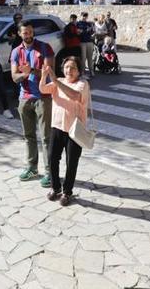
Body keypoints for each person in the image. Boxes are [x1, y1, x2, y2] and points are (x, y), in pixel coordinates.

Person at [39, 56, 90, 206]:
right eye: (67, 67)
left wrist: (54, 80)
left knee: (71, 162)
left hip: (74, 130)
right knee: (52, 159)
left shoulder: (83, 84)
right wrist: (43, 76)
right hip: (57, 127)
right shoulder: (59, 81)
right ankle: (55, 188)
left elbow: (74, 95)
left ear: (79, 70)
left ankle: (67, 192)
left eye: (73, 67)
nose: (69, 70)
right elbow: (43, 89)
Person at [11, 21, 54, 188]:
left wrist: (33, 71)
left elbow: (50, 71)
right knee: (28, 136)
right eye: (25, 33)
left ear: (32, 32)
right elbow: (14, 77)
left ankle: (50, 172)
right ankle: (32, 168)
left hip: (43, 97)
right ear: (20, 34)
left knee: (46, 137)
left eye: (30, 32)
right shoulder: (16, 52)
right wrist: (24, 73)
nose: (28, 35)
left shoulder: (45, 48)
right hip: (24, 98)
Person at [76, 12, 95, 78]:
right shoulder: (78, 24)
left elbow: (92, 32)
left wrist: (92, 31)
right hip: (82, 42)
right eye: (83, 15)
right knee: (83, 58)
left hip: (89, 42)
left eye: (86, 16)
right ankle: (82, 72)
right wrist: (86, 31)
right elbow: (78, 33)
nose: (85, 17)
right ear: (81, 16)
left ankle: (91, 71)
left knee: (90, 58)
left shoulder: (89, 23)